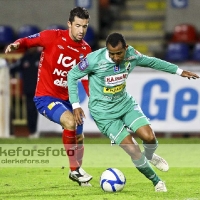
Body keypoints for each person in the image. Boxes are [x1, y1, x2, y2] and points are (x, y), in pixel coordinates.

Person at [67, 32, 199, 192]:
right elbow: (72, 75)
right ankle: (157, 182)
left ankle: (150, 156)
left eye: (119, 53)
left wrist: (178, 71)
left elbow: (152, 62)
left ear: (126, 48)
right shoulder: (94, 59)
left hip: (125, 105)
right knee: (133, 149)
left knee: (149, 137)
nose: (116, 57)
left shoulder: (132, 55)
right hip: (104, 115)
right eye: (112, 54)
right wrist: (75, 105)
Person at [5, 7, 93, 186]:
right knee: (70, 122)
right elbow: (29, 41)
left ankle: (78, 170)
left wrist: (94, 98)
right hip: (45, 97)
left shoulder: (86, 49)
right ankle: (74, 170)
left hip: (68, 100)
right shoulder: (52, 36)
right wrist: (17, 44)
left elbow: (85, 79)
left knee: (79, 136)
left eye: (85, 26)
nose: (81, 31)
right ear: (69, 24)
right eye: (77, 26)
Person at [9, 47, 41, 138]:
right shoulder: (24, 58)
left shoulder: (41, 57)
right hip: (28, 91)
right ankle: (32, 131)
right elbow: (13, 68)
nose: (31, 48)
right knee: (29, 111)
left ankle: (38, 130)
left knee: (38, 112)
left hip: (40, 91)